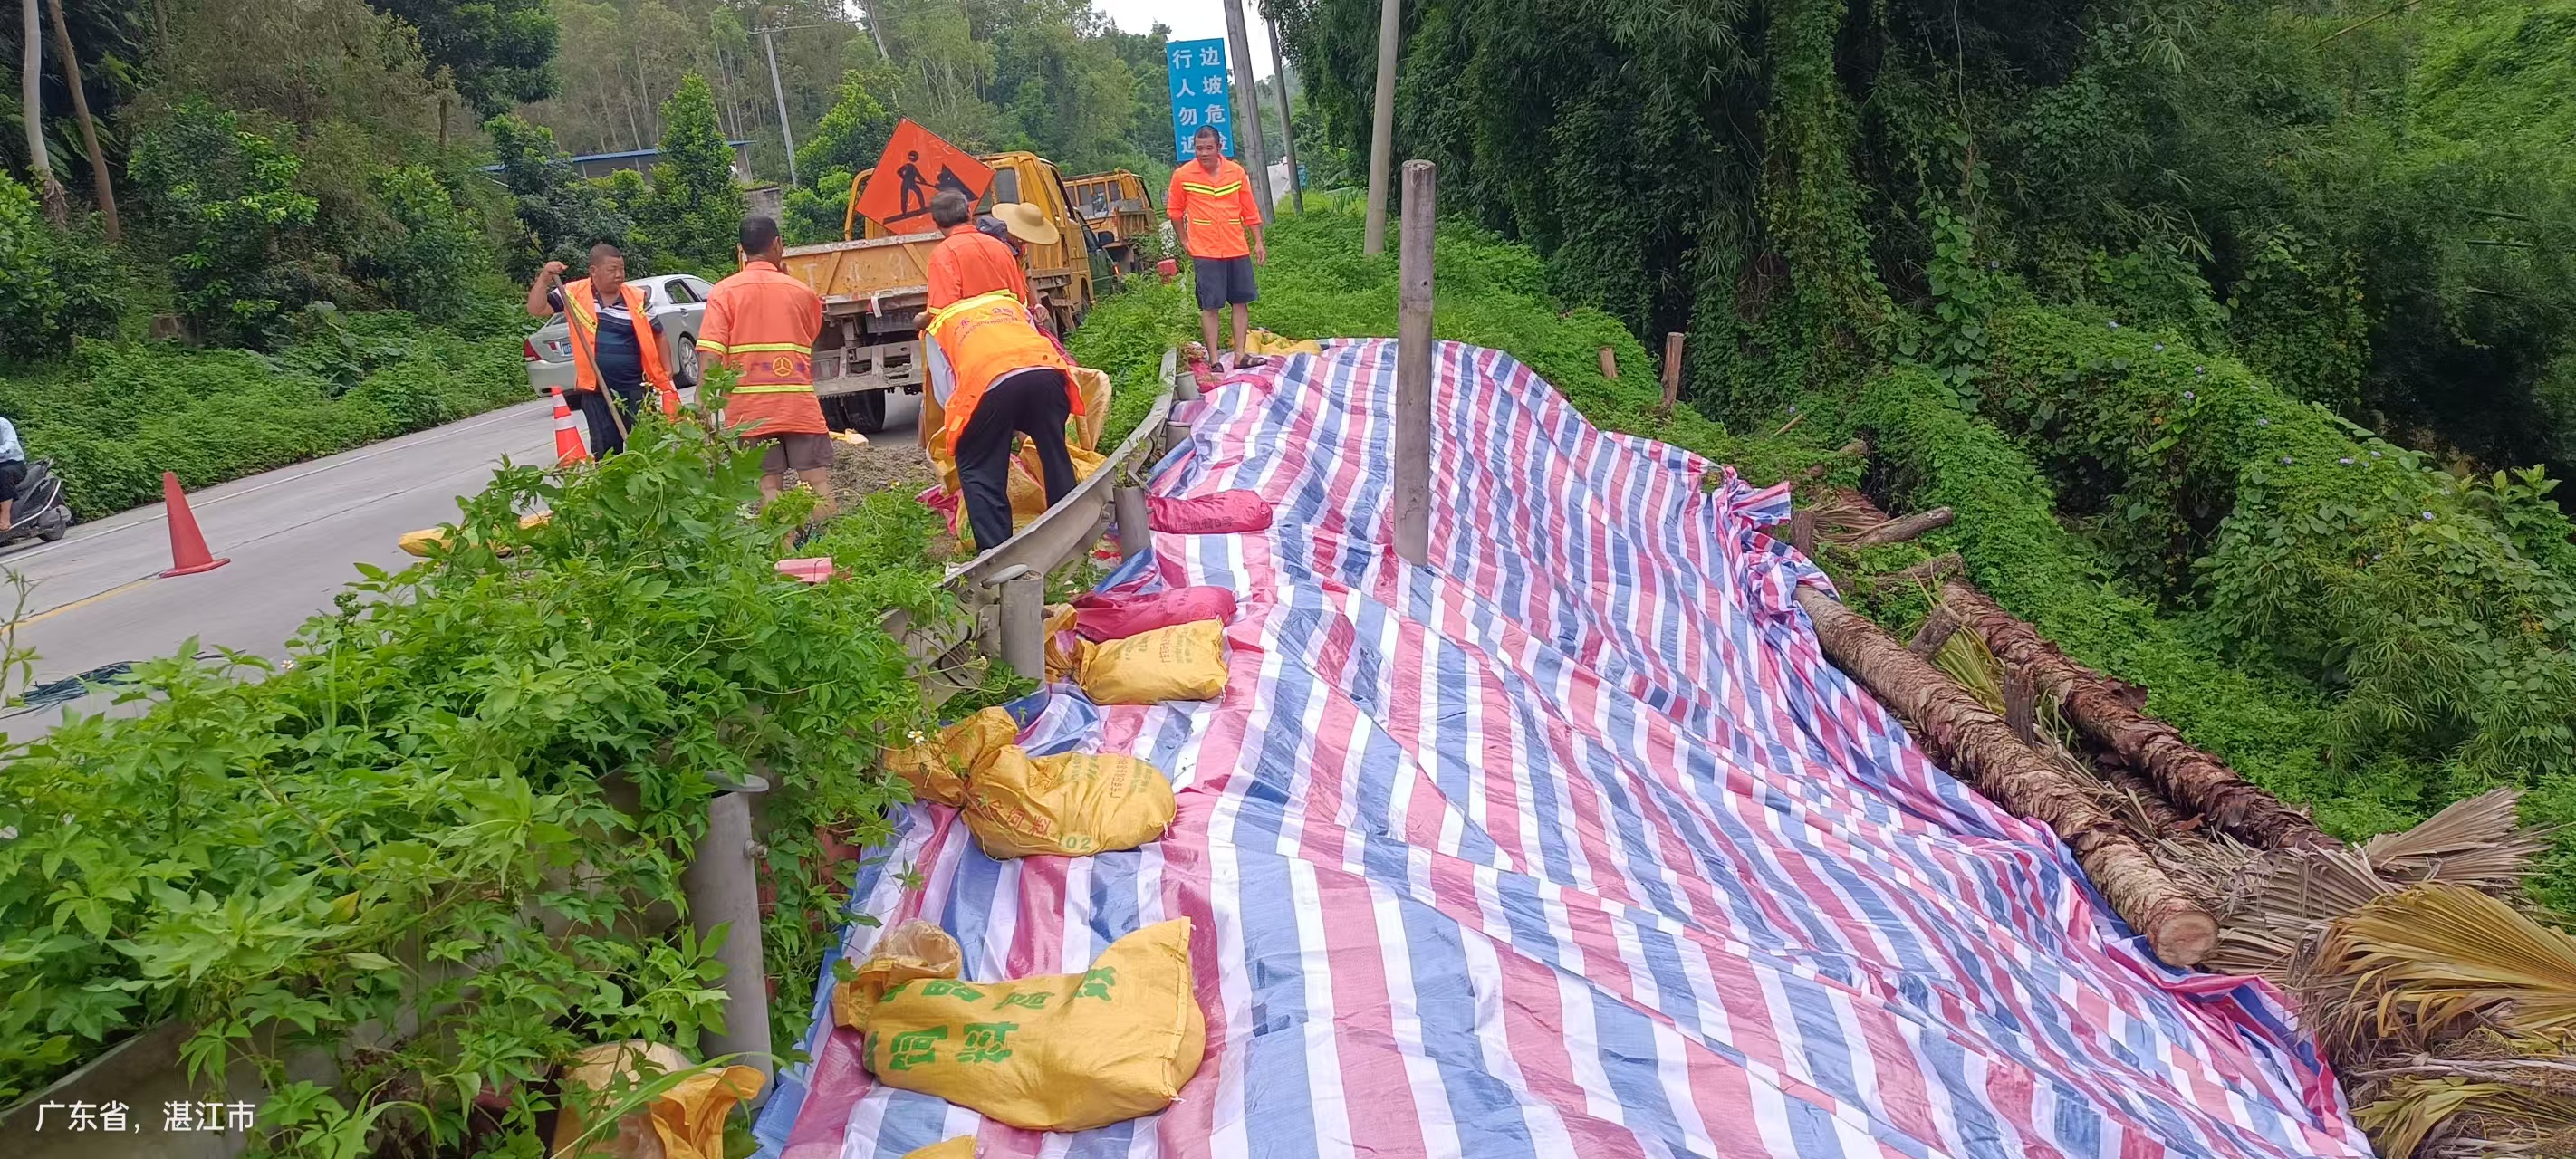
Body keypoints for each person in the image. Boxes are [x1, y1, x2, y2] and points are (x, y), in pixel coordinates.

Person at [919, 290, 1086, 552]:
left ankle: (1000, 556)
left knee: (978, 469)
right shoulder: (1008, 303)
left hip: (987, 385)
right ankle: (1071, 536)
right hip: (1047, 376)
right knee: (1054, 453)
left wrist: (978, 435)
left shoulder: (937, 326)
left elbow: (946, 394)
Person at [698, 216, 835, 522]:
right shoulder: (801, 292)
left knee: (768, 486)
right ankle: (827, 548)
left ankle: (783, 556)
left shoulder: (723, 292)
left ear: (741, 249)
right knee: (816, 481)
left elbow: (711, 352)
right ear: (777, 244)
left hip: (749, 411)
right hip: (796, 403)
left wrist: (703, 403)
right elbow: (810, 335)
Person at [525, 243, 678, 457]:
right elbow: (536, 308)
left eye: (621, 269)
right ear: (593, 271)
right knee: (606, 451)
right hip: (596, 390)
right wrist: (545, 278)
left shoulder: (636, 297)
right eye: (612, 270)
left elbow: (658, 334)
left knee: (649, 445)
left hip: (636, 388)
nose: (618, 275)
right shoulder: (573, 293)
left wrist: (667, 369)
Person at [1166, 124, 1266, 366]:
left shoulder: (1236, 172)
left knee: (1240, 302)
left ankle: (1240, 355)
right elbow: (1175, 211)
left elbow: (1249, 210)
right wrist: (1184, 240)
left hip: (1236, 248)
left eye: (1209, 148)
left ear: (1219, 148)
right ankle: (1214, 360)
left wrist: (1258, 242)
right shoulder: (1183, 176)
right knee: (1210, 306)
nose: (1203, 153)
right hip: (1205, 251)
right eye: (1199, 148)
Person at [925, 190, 1033, 310]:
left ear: (936, 222)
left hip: (969, 327)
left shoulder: (943, 254)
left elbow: (941, 310)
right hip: (1008, 324)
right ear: (969, 212)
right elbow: (1021, 299)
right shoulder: (1001, 248)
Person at [0, 415, 23, 531]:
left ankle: (5, 517)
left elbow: (11, 444)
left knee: (2, 474)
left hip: (13, 464)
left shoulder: (3, 423)